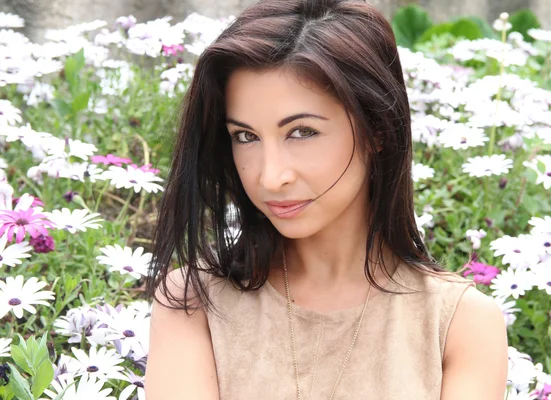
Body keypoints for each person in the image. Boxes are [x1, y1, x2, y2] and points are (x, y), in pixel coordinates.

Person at [144, 0, 508, 398]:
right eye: (245, 137)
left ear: (377, 132)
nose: (271, 176)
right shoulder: (194, 303)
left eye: (302, 132)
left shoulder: (458, 325)